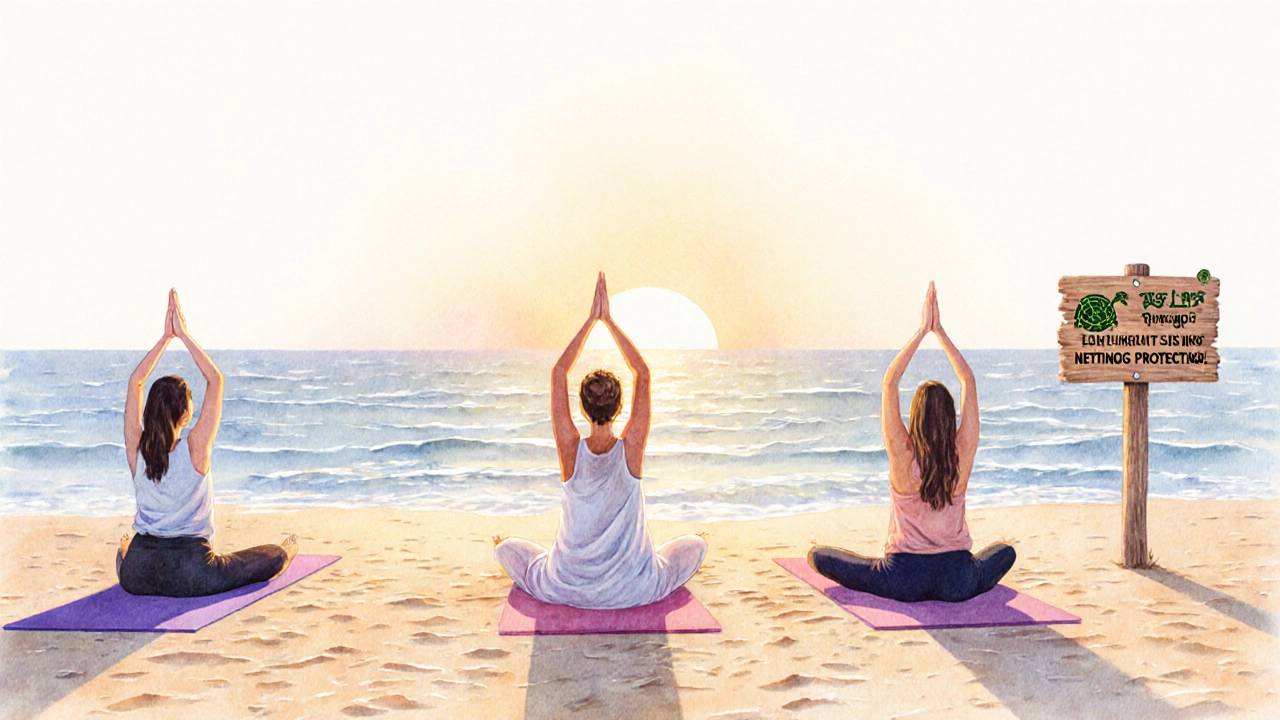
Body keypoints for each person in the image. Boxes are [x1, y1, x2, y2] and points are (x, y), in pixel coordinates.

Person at [493, 272, 707, 609]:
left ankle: (503, 547)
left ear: (582, 405)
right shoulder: (631, 448)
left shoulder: (570, 451)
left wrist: (590, 321)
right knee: (697, 545)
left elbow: (558, 372)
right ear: (620, 406)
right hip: (633, 588)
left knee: (506, 549)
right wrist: (609, 322)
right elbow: (643, 374)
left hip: (567, 586)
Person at [808, 282, 1015, 602]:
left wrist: (921, 331)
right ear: (950, 418)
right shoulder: (961, 453)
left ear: (914, 418)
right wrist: (940, 332)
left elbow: (890, 382)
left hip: (903, 579)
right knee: (1005, 551)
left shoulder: (902, 456)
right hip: (956, 579)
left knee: (819, 557)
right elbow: (968, 381)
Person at [117, 289, 297, 597]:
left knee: (124, 556)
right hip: (192, 571)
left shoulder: (138, 447)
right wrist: (183, 335)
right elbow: (216, 379)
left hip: (137, 572)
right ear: (185, 415)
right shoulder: (195, 447)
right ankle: (286, 550)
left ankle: (125, 549)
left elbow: (135, 382)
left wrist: (165, 338)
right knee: (275, 557)